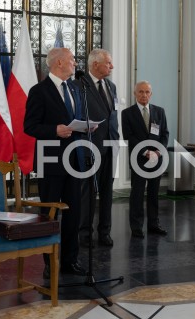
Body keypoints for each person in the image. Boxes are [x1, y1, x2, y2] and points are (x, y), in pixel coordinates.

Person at [24, 47, 86, 278]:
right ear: (59, 63)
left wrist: (87, 125)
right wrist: (54, 131)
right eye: (72, 60)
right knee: (50, 214)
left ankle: (71, 260)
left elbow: (75, 119)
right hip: (50, 162)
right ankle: (50, 262)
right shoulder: (39, 91)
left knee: (73, 213)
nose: (75, 64)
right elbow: (29, 127)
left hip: (75, 160)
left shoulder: (75, 88)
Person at [75, 49, 119, 247]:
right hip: (90, 147)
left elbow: (113, 116)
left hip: (111, 147)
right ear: (94, 64)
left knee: (107, 192)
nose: (111, 66)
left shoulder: (111, 86)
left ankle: (105, 232)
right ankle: (84, 234)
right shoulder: (79, 86)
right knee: (88, 193)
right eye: (108, 63)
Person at [121, 81, 169, 238]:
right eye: (140, 92)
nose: (144, 95)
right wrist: (146, 151)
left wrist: (158, 151)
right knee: (137, 194)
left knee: (154, 194)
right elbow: (129, 136)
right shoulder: (127, 113)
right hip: (139, 159)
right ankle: (136, 227)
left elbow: (165, 134)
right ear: (135, 93)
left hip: (157, 159)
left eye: (147, 92)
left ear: (151, 94)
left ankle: (154, 224)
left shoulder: (159, 112)